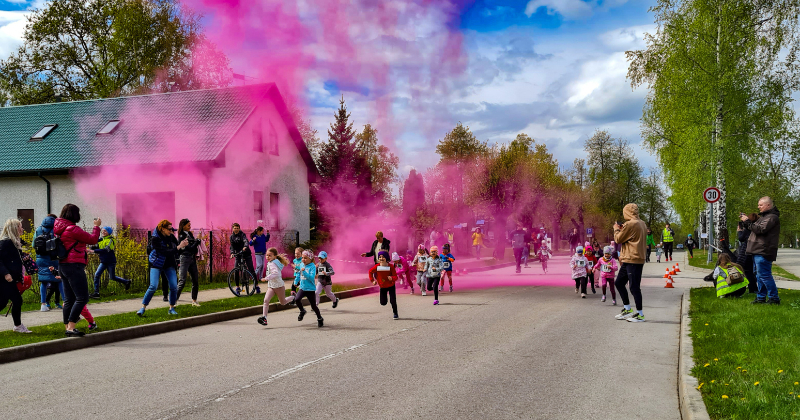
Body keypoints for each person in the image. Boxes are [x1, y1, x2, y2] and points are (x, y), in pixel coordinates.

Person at [53, 204, 102, 336]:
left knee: (69, 299)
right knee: (82, 297)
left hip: (62, 265)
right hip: (74, 265)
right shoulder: (73, 229)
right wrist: (96, 226)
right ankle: (71, 327)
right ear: (75, 215)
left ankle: (67, 327)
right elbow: (92, 239)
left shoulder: (59, 228)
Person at [137, 220, 188, 317]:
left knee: (173, 286)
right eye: (169, 229)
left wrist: (182, 247)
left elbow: (175, 251)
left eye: (171, 229)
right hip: (156, 264)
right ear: (162, 229)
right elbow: (165, 252)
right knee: (153, 286)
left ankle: (171, 308)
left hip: (169, 265)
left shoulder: (171, 237)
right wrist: (178, 247)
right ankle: (143, 307)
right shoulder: (155, 239)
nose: (171, 231)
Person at [739, 197, 781, 304]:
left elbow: (760, 230)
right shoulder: (764, 217)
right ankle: (761, 297)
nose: (758, 207)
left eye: (761, 205)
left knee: (764, 275)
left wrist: (748, 221)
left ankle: (774, 298)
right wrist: (746, 223)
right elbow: (754, 228)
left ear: (768, 205)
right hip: (758, 250)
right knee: (758, 275)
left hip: (764, 250)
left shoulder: (772, 217)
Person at [613, 203, 648, 322]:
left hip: (633, 258)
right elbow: (632, 236)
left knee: (634, 287)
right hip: (630, 259)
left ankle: (640, 314)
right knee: (619, 283)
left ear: (627, 212)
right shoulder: (642, 223)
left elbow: (618, 239)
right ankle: (627, 309)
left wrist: (617, 229)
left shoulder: (630, 224)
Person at [0, 219, 32, 333]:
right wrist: (5, 273)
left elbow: (11, 259)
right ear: (14, 229)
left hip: (11, 277)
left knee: (4, 301)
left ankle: (18, 326)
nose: (22, 229)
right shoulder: (6, 242)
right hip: (6, 279)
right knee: (16, 300)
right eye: (20, 227)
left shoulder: (14, 242)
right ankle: (18, 326)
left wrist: (23, 259)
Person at [89, 226, 131, 298]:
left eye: (105, 231)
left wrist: (93, 251)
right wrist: (90, 248)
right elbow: (95, 246)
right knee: (97, 275)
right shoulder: (101, 239)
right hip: (103, 261)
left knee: (112, 277)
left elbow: (106, 250)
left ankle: (126, 282)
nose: (103, 232)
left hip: (110, 261)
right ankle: (96, 293)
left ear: (109, 232)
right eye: (102, 231)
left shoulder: (111, 240)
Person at [257, 247, 291, 326]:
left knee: (283, 302)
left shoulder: (273, 263)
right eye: (267, 255)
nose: (267, 257)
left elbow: (275, 274)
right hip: (271, 287)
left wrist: (266, 278)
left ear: (275, 256)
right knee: (266, 300)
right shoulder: (272, 262)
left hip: (279, 286)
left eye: (270, 255)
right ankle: (264, 318)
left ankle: (294, 297)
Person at [34, 214, 60, 312]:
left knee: (43, 281)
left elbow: (33, 244)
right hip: (54, 258)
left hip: (41, 259)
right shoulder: (57, 230)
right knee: (59, 280)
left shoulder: (38, 230)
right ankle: (65, 302)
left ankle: (43, 305)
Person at [293, 250, 323, 327]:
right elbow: (299, 274)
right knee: (297, 299)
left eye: (305, 258)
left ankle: (319, 318)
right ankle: (302, 311)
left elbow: (311, 277)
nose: (303, 260)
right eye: (302, 258)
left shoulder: (312, 266)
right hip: (302, 288)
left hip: (310, 289)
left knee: (313, 306)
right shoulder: (301, 265)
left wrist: (304, 272)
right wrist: (296, 282)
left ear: (310, 258)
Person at [176, 219, 201, 306]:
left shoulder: (189, 234)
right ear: (183, 226)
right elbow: (189, 248)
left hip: (192, 258)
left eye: (190, 225)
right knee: (182, 280)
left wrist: (196, 242)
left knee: (195, 280)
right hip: (185, 258)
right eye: (188, 225)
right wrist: (197, 241)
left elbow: (193, 248)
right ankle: (174, 300)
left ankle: (194, 300)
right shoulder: (182, 236)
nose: (190, 227)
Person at [369, 250, 399, 319]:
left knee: (393, 301)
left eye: (383, 257)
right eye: (379, 257)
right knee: (383, 303)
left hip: (391, 285)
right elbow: (370, 271)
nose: (381, 258)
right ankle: (385, 299)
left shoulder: (391, 266)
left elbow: (395, 277)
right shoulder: (377, 266)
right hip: (382, 286)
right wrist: (372, 280)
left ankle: (395, 313)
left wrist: (392, 278)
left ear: (386, 258)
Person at [230, 223, 257, 295]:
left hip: (246, 253)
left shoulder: (242, 234)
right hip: (238, 255)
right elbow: (232, 246)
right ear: (233, 229)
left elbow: (245, 241)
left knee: (251, 269)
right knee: (236, 270)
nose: (236, 229)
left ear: (239, 228)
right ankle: (238, 287)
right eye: (234, 228)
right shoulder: (231, 237)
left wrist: (245, 246)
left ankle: (256, 286)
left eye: (237, 228)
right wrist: (232, 253)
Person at [736, 214, 758, 293]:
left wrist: (739, 232)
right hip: (753, 250)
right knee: (750, 271)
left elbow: (741, 238)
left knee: (744, 270)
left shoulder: (748, 229)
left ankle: (743, 288)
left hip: (746, 251)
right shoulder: (756, 227)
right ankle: (753, 288)